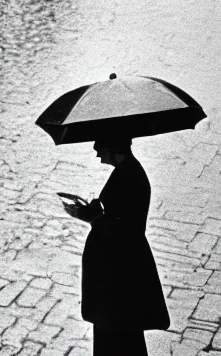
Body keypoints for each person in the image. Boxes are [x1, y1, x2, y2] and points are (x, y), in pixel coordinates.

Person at [61, 137, 170, 356]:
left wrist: (93, 218)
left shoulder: (129, 177)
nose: (96, 150)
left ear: (112, 147)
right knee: (122, 336)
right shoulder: (128, 172)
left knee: (116, 337)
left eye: (100, 144)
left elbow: (123, 231)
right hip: (118, 272)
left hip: (117, 275)